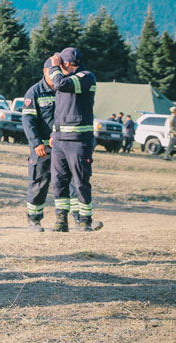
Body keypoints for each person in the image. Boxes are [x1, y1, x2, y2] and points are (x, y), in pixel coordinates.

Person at [21, 58, 82, 232]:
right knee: (39, 182)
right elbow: (28, 121)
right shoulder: (34, 92)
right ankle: (34, 219)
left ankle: (78, 219)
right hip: (43, 148)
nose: (56, 74)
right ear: (44, 71)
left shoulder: (65, 89)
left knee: (71, 182)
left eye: (59, 71)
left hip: (65, 147)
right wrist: (36, 143)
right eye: (52, 71)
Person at [48, 48, 101, 232]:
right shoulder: (67, 79)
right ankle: (61, 220)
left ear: (67, 63)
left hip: (78, 141)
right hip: (60, 139)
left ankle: (85, 221)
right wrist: (54, 133)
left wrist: (54, 67)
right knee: (59, 181)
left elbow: (60, 84)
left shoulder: (86, 77)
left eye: (61, 63)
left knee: (80, 182)